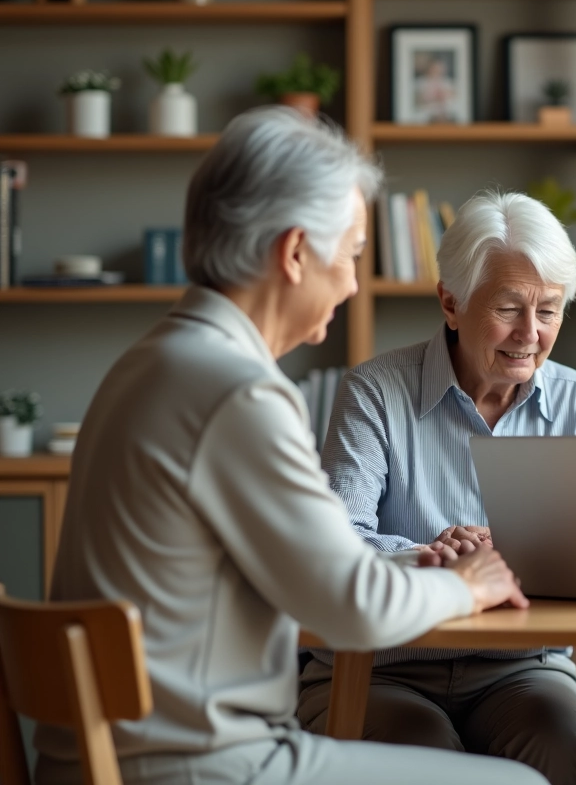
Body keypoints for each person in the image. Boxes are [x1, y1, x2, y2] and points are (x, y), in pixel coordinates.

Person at [33, 107, 546, 785]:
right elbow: (351, 606)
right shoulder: (236, 391)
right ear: (296, 252)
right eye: (353, 256)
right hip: (201, 766)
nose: (355, 284)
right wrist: (465, 584)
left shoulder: (149, 362)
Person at [296, 191, 576, 785]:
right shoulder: (376, 393)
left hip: (521, 666)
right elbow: (335, 547)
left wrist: (508, 560)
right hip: (382, 664)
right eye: (510, 308)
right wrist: (435, 559)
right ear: (451, 303)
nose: (530, 334)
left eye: (549, 310)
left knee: (557, 745)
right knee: (426, 761)